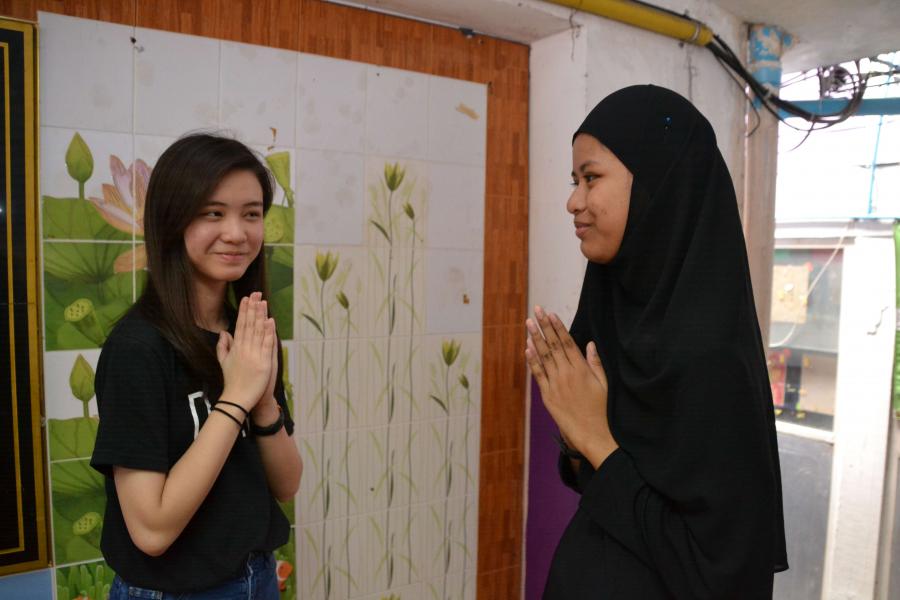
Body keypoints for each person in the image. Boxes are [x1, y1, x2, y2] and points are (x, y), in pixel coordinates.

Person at [526, 85, 788, 598]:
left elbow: (720, 573)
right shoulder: (614, 318)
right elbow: (593, 486)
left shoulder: (710, 360)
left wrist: (595, 439)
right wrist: (577, 436)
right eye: (575, 181)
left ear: (657, 186)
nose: (573, 201)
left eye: (591, 178)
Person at [90, 133, 303, 599]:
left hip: (258, 578)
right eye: (213, 213)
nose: (237, 233)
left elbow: (287, 484)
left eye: (251, 214)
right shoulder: (137, 349)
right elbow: (152, 531)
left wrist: (263, 404)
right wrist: (236, 398)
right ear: (172, 220)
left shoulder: (248, 333)